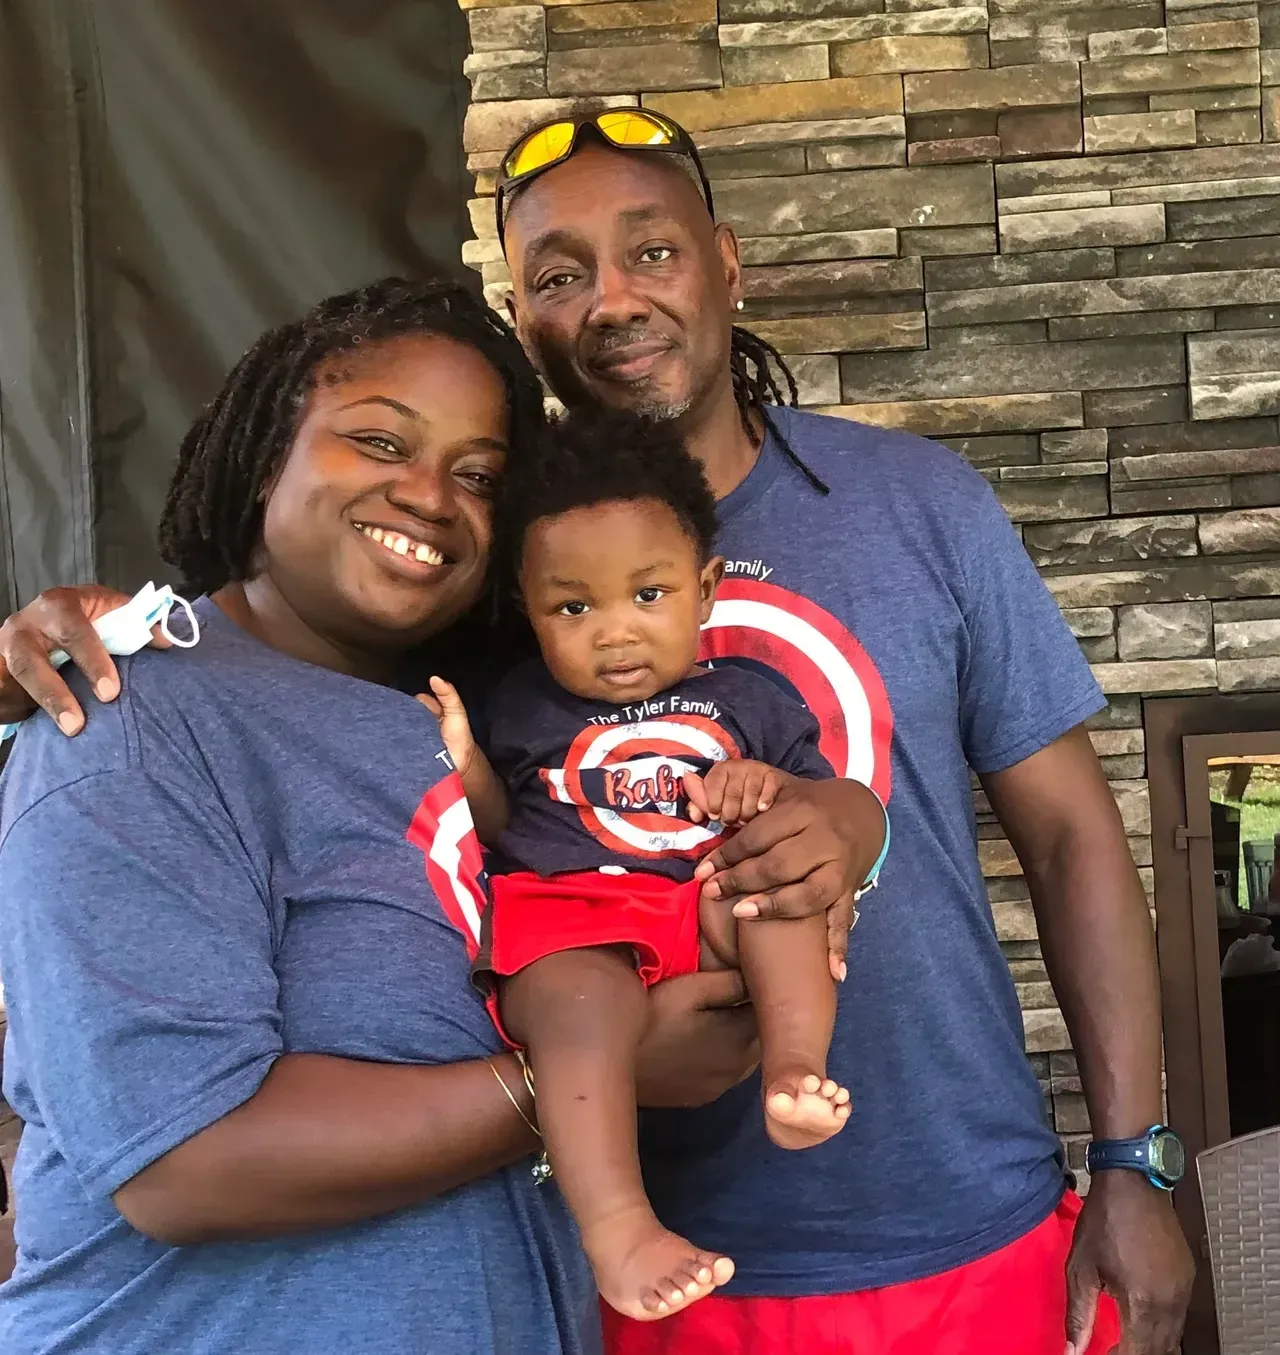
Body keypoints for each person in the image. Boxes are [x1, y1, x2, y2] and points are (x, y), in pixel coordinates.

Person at [0, 110, 1193, 1353]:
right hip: (637, 1258)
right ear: (526, 320)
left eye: (651, 252)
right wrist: (100, 645)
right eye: (559, 276)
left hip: (954, 1223)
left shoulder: (915, 504)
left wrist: (1133, 1154)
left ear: (724, 262)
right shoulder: (485, 581)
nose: (613, 300)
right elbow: (272, 660)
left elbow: (1070, 839)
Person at [0, 276, 876, 1353]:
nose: (426, 494)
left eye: (478, 476)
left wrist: (842, 824)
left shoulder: (476, 714)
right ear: (269, 450)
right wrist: (585, 1075)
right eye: (378, 441)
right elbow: (180, 1162)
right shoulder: (131, 719)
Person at [425, 406, 852, 1322]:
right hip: (575, 916)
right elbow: (500, 824)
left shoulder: (750, 699)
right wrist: (465, 761)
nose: (615, 632)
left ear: (706, 588)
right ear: (529, 608)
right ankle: (618, 1225)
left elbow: (815, 816)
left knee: (776, 896)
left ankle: (793, 1069)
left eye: (648, 595)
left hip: (704, 901)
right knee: (575, 1004)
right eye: (574, 607)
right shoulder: (523, 706)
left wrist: (766, 784)